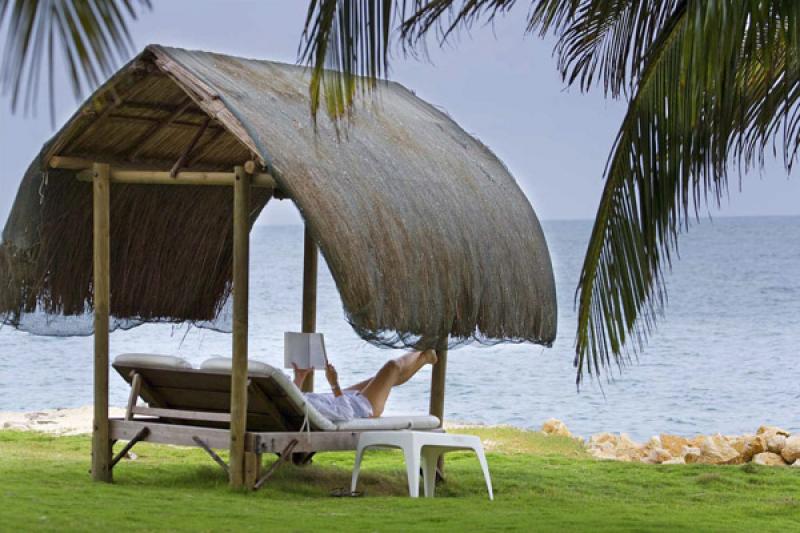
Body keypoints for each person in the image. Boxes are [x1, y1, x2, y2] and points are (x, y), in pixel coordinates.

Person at [292, 350, 438, 422]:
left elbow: (292, 399)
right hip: (363, 407)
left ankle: (424, 358)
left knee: (385, 377)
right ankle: (421, 351)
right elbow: (346, 414)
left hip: (344, 399)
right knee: (392, 367)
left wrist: (299, 378)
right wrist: (334, 384)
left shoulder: (285, 403)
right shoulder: (313, 410)